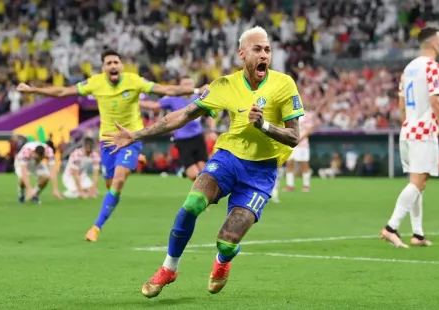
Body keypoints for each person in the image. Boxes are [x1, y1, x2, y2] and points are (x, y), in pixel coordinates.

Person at [103, 26, 303, 297]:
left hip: (261, 172)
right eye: (257, 49)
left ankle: (223, 261)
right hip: (229, 158)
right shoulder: (224, 85)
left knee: (226, 242)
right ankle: (169, 268)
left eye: (267, 49)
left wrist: (264, 125)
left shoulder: (284, 84)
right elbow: (182, 115)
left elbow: (294, 136)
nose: (264, 54)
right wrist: (135, 135)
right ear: (242, 54)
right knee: (193, 202)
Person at [17, 50, 205, 242]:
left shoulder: (134, 81)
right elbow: (63, 91)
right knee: (110, 184)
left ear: (121, 66)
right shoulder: (95, 83)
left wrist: (197, 91)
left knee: (119, 180)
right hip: (107, 141)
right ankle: (132, 163)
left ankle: (95, 227)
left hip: (131, 138)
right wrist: (33, 91)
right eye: (109, 63)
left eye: (116, 62)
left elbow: (168, 90)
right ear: (104, 68)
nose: (113, 65)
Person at [380, 27, 439, 248]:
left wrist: (409, 123)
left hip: (408, 130)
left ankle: (418, 234)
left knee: (417, 184)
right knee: (418, 182)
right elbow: (436, 101)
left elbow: (402, 104)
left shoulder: (409, 68)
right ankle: (391, 227)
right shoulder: (433, 67)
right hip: (423, 132)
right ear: (433, 43)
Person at [140, 76, 217, 181]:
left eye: (190, 84)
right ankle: (186, 171)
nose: (188, 87)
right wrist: (137, 102)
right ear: (180, 87)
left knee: (204, 173)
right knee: (194, 175)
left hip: (198, 138)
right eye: (185, 84)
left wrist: (212, 130)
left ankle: (202, 194)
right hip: (183, 141)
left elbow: (209, 116)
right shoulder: (172, 99)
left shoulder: (199, 98)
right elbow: (155, 105)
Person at [282, 103, 317, 193]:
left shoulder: (307, 115)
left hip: (302, 144)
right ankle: (290, 185)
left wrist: (299, 139)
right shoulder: (290, 114)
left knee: (304, 164)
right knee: (290, 163)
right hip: (291, 143)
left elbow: (309, 130)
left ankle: (306, 185)